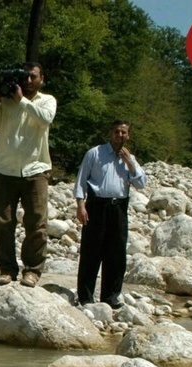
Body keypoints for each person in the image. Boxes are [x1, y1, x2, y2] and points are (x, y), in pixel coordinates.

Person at [0, 62, 56, 288]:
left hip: (35, 170)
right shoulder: (6, 102)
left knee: (36, 224)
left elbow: (45, 119)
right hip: (5, 170)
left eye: (33, 77)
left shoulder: (47, 101)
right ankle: (6, 269)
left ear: (42, 78)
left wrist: (22, 100)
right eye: (26, 77)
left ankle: (32, 270)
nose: (29, 81)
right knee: (2, 223)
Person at [74, 120, 147, 309]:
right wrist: (80, 205)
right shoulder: (95, 153)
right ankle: (86, 297)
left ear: (128, 136)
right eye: (117, 132)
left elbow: (140, 183)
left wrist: (130, 162)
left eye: (123, 132)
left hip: (119, 208)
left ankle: (111, 296)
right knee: (91, 252)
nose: (120, 135)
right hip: (96, 206)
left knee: (116, 254)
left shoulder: (129, 158)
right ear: (110, 133)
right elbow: (81, 180)